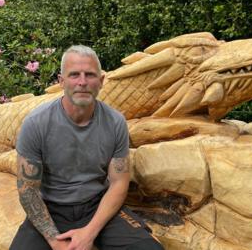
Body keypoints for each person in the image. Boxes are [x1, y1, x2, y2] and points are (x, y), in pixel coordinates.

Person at [10, 45, 165, 250]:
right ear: (61, 81)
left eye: (90, 75)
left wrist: (89, 233)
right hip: (51, 209)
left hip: (97, 206)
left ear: (101, 81)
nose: (82, 82)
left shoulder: (115, 122)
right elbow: (28, 190)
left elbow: (119, 183)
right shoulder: (36, 123)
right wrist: (55, 241)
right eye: (74, 75)